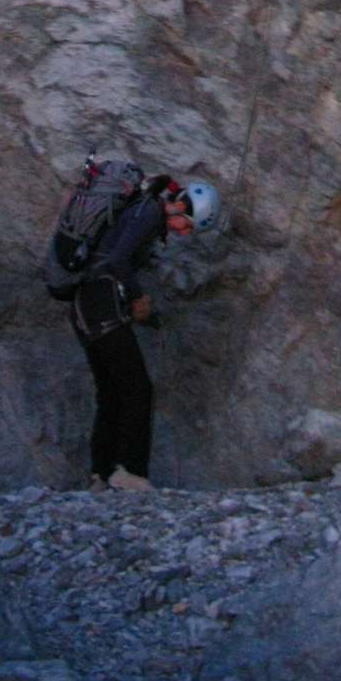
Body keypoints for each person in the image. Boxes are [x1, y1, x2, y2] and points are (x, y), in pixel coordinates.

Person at [71, 173, 219, 491]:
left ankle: (101, 474)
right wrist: (138, 298)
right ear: (182, 207)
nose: (185, 233)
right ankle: (131, 473)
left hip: (86, 304)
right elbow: (117, 259)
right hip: (102, 303)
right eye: (189, 226)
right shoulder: (150, 212)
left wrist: (148, 315)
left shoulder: (142, 210)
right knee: (138, 388)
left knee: (111, 391)